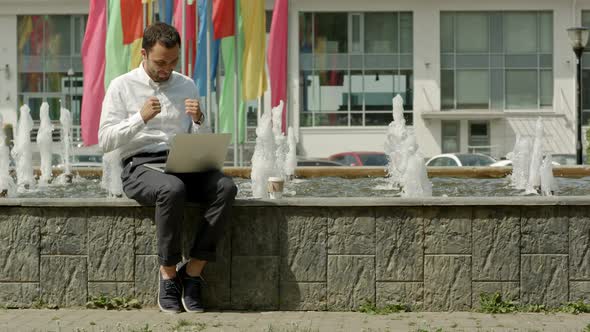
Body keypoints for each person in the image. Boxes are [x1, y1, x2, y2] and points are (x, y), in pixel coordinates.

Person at [98, 22, 237, 314]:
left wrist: (200, 121)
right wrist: (140, 118)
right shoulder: (121, 86)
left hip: (182, 161)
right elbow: (105, 140)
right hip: (140, 166)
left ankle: (194, 271)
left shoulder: (186, 84)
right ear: (144, 54)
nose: (167, 68)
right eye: (161, 62)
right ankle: (169, 274)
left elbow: (199, 135)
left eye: (173, 61)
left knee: (226, 187)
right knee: (172, 189)